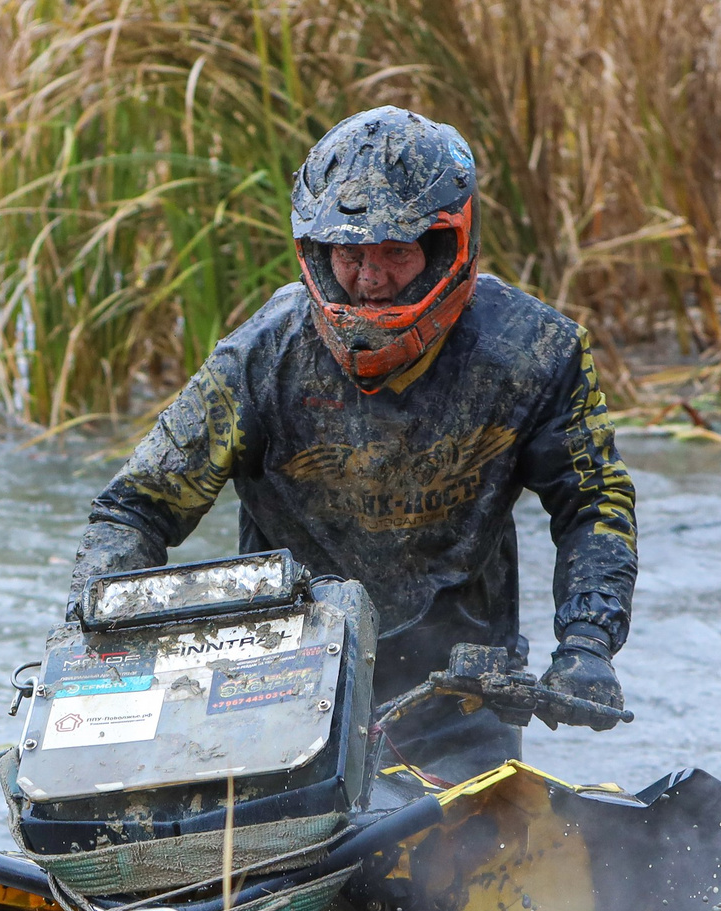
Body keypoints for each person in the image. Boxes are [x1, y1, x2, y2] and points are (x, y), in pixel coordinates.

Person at [70, 106, 639, 789]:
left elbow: (593, 504)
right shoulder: (259, 357)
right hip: (277, 683)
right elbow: (134, 509)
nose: (369, 279)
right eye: (350, 255)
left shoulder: (536, 354)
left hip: (459, 694)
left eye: (395, 254)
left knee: (454, 870)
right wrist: (92, 651)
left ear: (444, 246)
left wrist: (586, 645)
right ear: (318, 252)